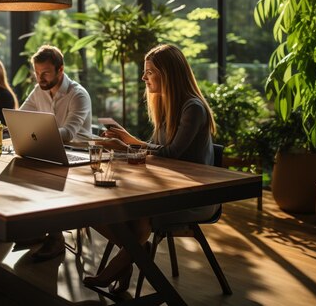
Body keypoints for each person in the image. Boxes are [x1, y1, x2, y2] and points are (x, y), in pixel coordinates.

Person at [83, 44, 218, 294]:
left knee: (139, 212)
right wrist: (126, 142)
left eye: (150, 72)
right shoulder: (168, 106)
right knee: (96, 208)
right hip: (167, 187)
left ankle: (119, 264)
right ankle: (135, 250)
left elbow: (169, 153)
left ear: (168, 74)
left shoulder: (193, 108)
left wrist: (127, 142)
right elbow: (158, 151)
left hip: (194, 196)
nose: (144, 77)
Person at [19, 45, 93, 261]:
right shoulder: (38, 90)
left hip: (79, 158)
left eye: (45, 73)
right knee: (20, 167)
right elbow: (21, 117)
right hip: (51, 151)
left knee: (43, 173)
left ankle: (55, 237)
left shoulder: (78, 95)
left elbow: (69, 134)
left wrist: (36, 133)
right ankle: (39, 229)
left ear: (60, 70)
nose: (40, 78)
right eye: (37, 72)